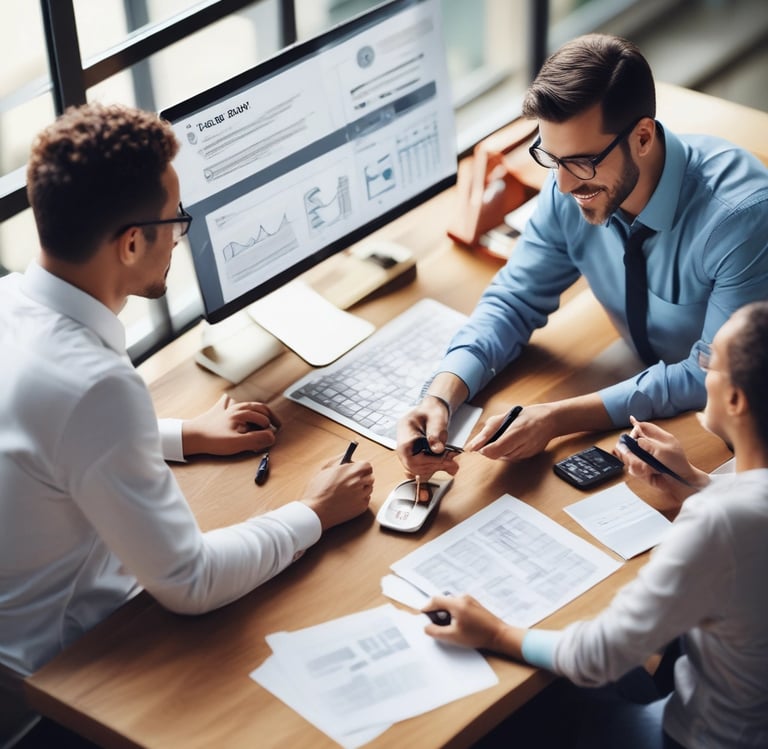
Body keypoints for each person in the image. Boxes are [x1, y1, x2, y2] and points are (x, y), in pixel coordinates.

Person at [0, 102, 374, 683]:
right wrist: (316, 511)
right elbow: (191, 582)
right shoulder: (94, 386)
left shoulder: (10, 307)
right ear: (129, 244)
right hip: (57, 679)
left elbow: (42, 436)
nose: (180, 236)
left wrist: (179, 435)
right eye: (176, 219)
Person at [396, 33, 768, 479]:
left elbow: (706, 374)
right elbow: (514, 301)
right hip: (649, 392)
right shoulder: (568, 186)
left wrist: (558, 418)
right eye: (551, 158)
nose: (565, 185)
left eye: (582, 162)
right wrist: (440, 394)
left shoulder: (741, 218)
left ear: (643, 137)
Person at [421, 300, 768, 748]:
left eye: (709, 362)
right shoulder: (733, 507)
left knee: (533, 714)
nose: (701, 368)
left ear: (736, 399)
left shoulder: (720, 523)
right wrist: (693, 483)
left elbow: (600, 656)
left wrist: (493, 632)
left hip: (710, 737)